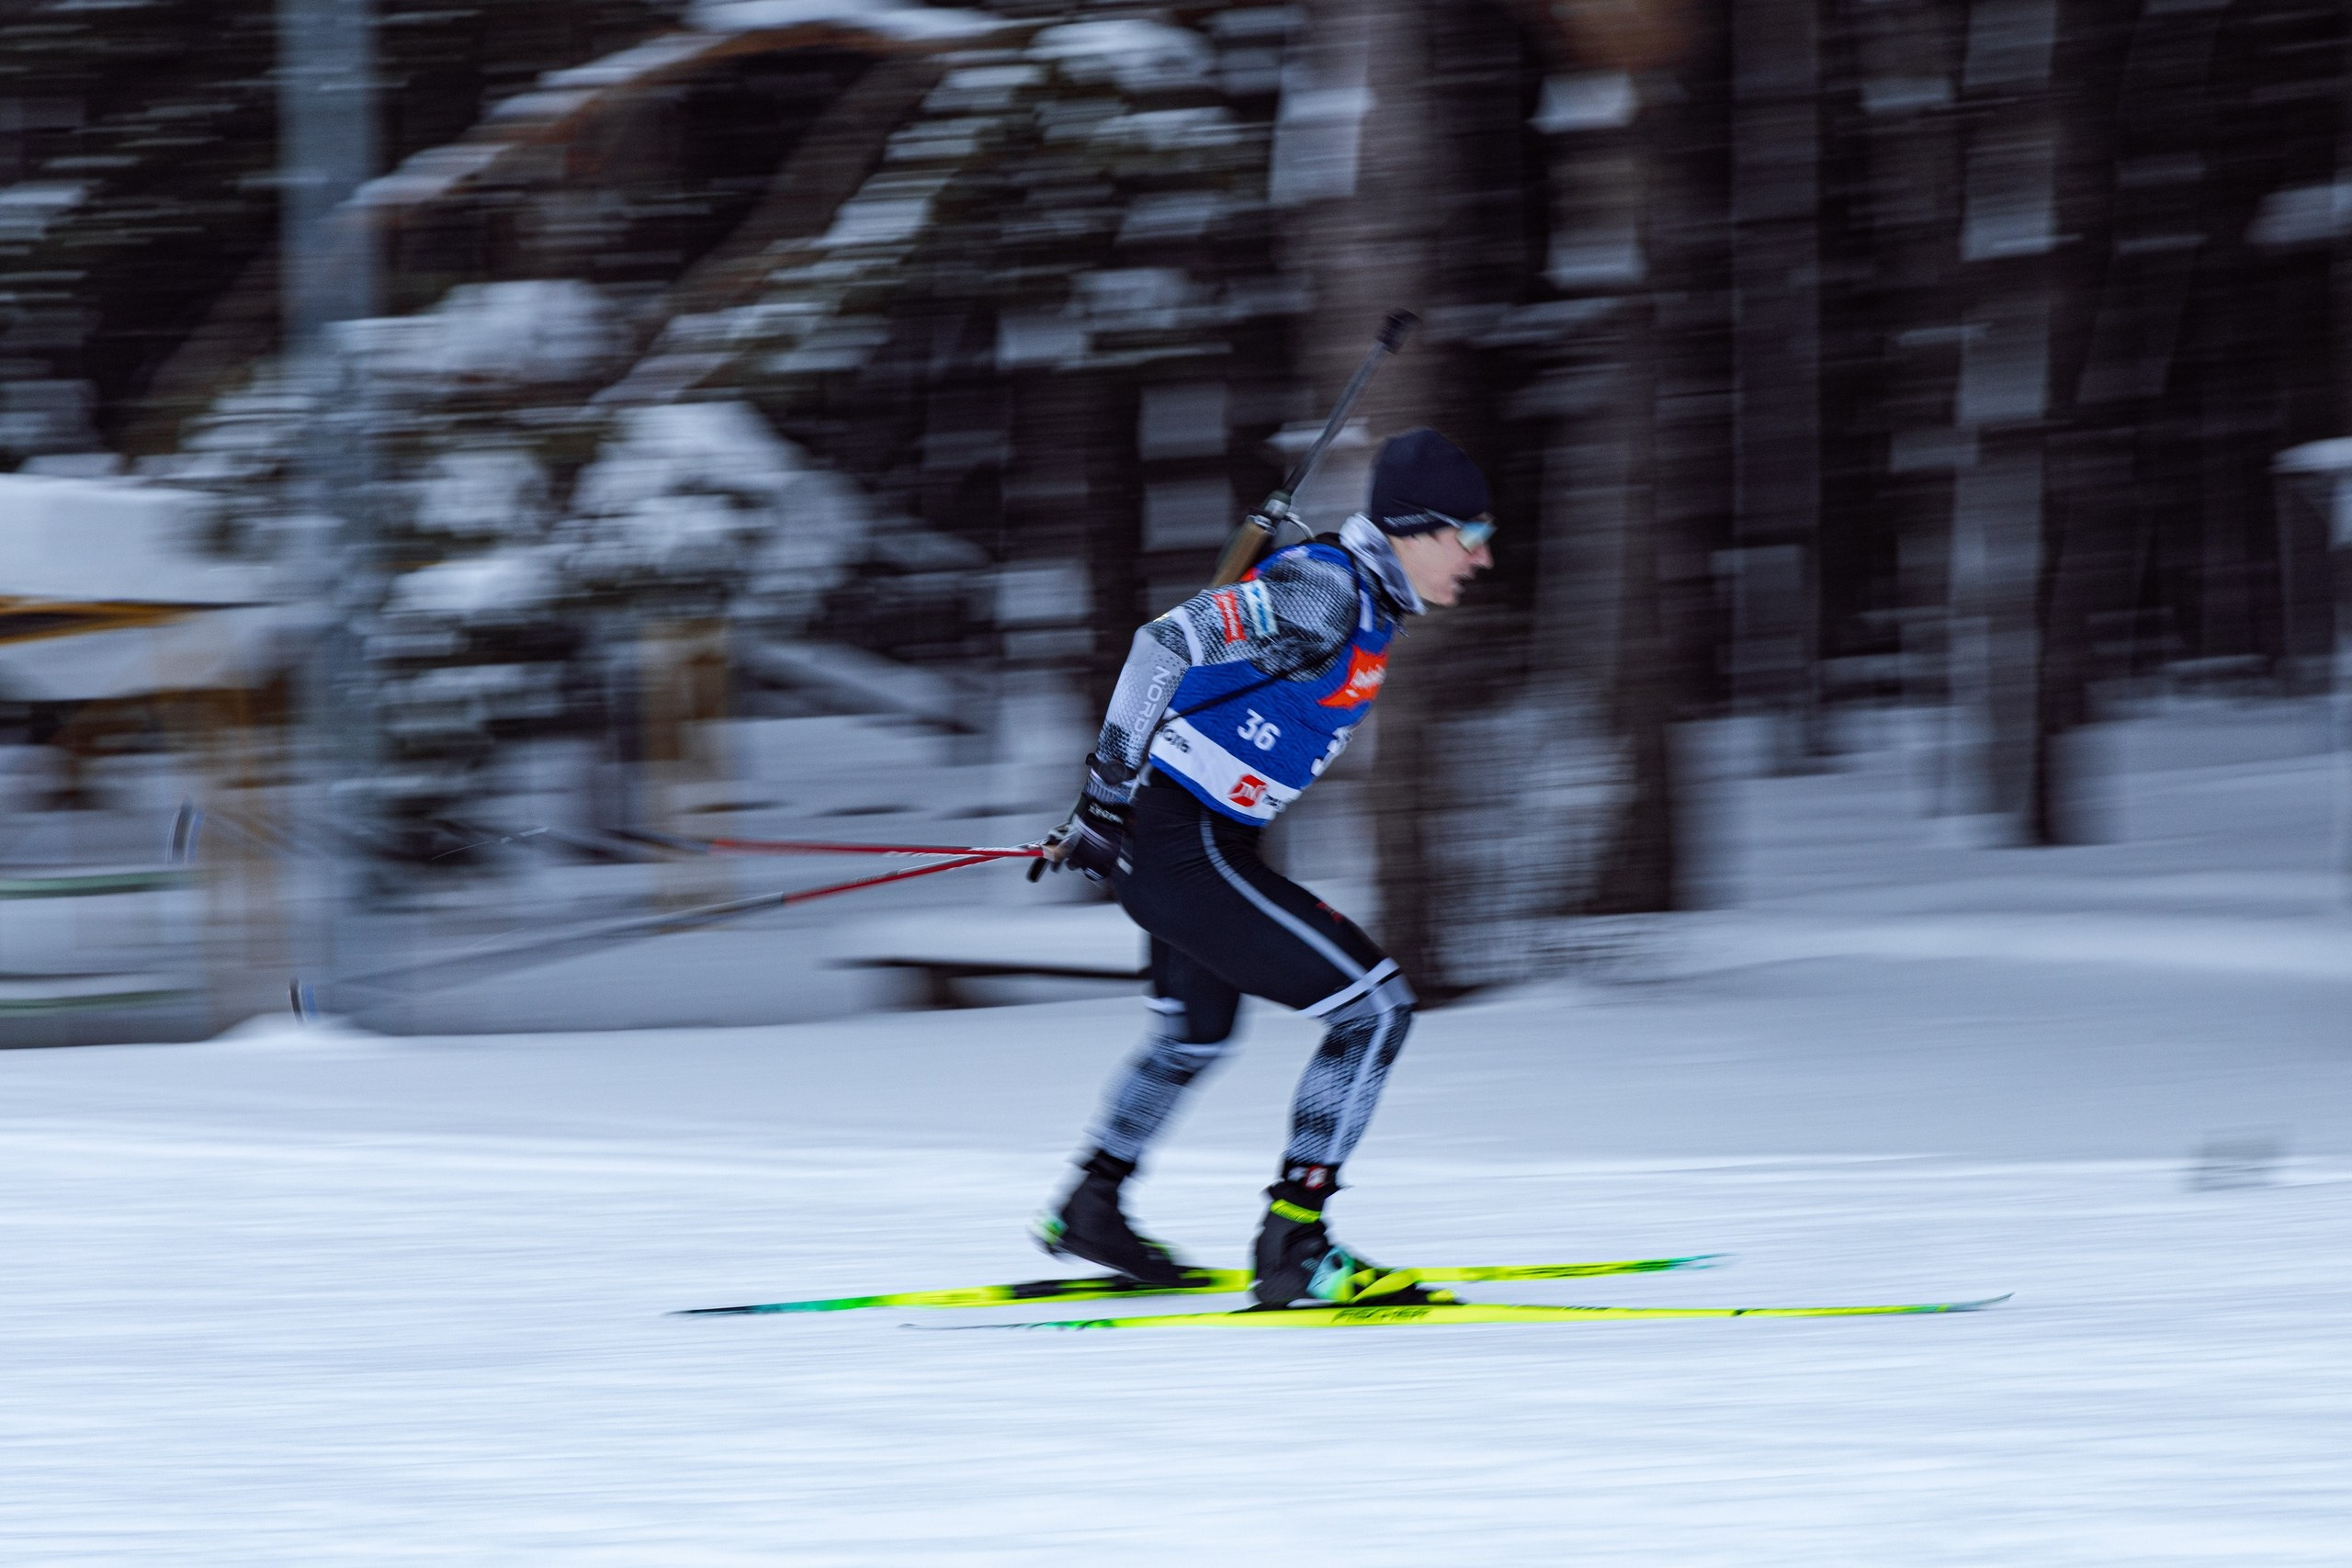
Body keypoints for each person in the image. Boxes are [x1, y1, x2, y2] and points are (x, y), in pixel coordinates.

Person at [1035, 427, 1495, 1308]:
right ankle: (1296, 1240)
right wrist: (1102, 797)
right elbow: (1162, 643)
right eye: (1470, 536)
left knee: (1193, 1034)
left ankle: (1091, 1205)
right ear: (1417, 529)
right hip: (1181, 841)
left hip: (1189, 837)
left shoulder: (1355, 592)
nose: (1479, 558)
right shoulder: (1324, 591)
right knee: (1375, 1009)